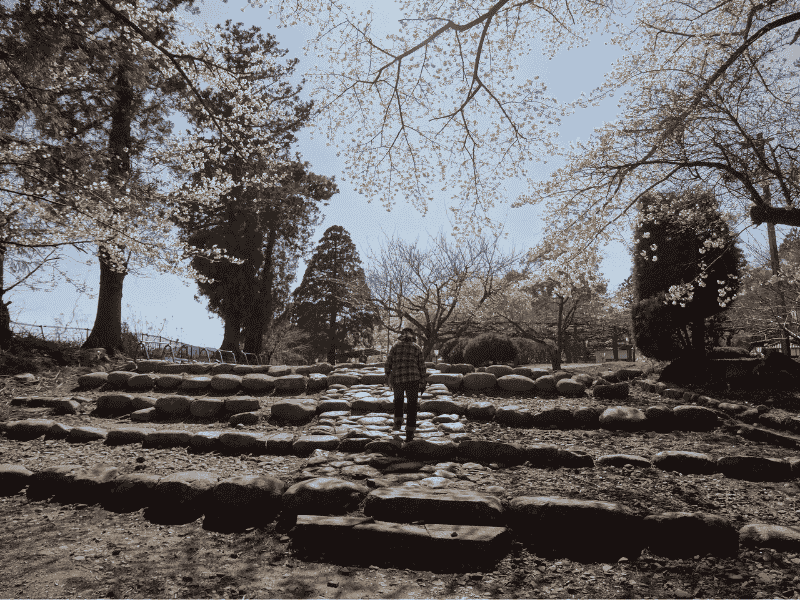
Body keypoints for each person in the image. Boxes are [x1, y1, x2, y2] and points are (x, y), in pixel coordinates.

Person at [385, 327, 427, 442]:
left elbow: (388, 363)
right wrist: (423, 381)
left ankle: (398, 423)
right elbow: (422, 366)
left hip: (398, 379)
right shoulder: (417, 347)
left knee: (398, 401)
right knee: (412, 405)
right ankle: (410, 432)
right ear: (413, 337)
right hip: (413, 379)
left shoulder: (395, 346)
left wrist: (388, 375)